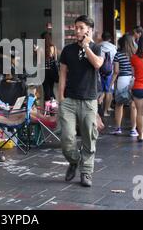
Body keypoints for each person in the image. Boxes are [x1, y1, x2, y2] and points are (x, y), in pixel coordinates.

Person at [59, 15, 104, 187]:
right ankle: (74, 160)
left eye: (81, 28)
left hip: (89, 101)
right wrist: (61, 98)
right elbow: (63, 74)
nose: (77, 31)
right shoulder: (67, 50)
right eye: (75, 27)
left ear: (89, 30)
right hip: (69, 100)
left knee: (89, 138)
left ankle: (86, 172)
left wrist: (86, 47)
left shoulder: (96, 48)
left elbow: (98, 64)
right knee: (67, 138)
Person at [109, 34, 137, 136]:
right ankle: (133, 130)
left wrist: (111, 84)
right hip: (133, 79)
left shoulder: (118, 54)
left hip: (122, 79)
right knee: (133, 105)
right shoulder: (136, 54)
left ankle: (118, 128)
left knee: (119, 104)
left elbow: (116, 71)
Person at [98, 32, 117, 117]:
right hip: (110, 71)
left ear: (102, 38)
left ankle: (99, 108)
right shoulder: (113, 48)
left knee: (100, 90)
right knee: (109, 91)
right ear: (110, 39)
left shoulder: (98, 46)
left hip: (99, 71)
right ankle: (106, 110)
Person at [41, 31, 58, 102]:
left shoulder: (41, 48)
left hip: (44, 71)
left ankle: (47, 109)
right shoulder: (53, 47)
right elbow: (55, 59)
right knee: (51, 89)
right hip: (52, 71)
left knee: (46, 90)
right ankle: (53, 107)